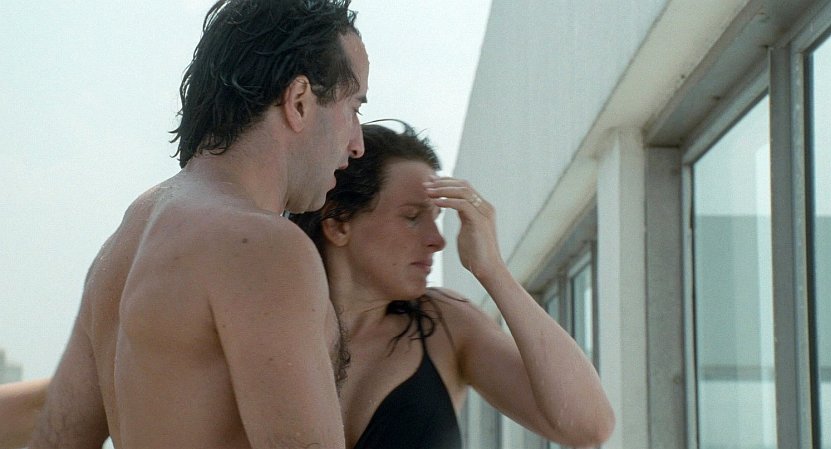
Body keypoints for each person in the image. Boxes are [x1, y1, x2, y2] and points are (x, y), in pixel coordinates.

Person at [27, 0, 368, 448]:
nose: (358, 144)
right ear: (300, 101)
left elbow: (56, 442)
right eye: (354, 108)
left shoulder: (128, 238)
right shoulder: (264, 247)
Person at [290, 122, 615, 449]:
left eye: (436, 218)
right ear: (339, 224)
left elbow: (588, 427)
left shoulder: (446, 324)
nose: (437, 240)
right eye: (412, 217)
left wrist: (493, 270)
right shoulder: (274, 327)